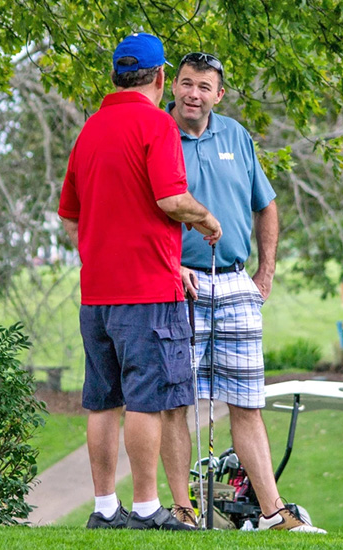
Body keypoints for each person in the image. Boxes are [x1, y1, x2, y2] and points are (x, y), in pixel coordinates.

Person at [57, 32, 221, 531]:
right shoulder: (157, 123)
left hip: (97, 295)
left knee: (103, 401)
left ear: (116, 75)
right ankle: (149, 508)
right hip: (147, 291)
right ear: (161, 77)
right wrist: (207, 220)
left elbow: (69, 215)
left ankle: (105, 507)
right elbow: (171, 199)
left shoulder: (91, 129)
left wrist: (97, 252)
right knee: (148, 400)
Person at [159, 53, 325, 533]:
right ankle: (182, 511)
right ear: (173, 86)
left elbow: (266, 206)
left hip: (234, 281)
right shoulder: (158, 135)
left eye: (203, 87)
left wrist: (265, 273)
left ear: (219, 94)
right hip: (179, 281)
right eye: (186, 84)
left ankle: (273, 513)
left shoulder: (234, 135)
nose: (193, 94)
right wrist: (169, 265)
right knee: (176, 402)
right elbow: (148, 211)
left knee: (246, 401)